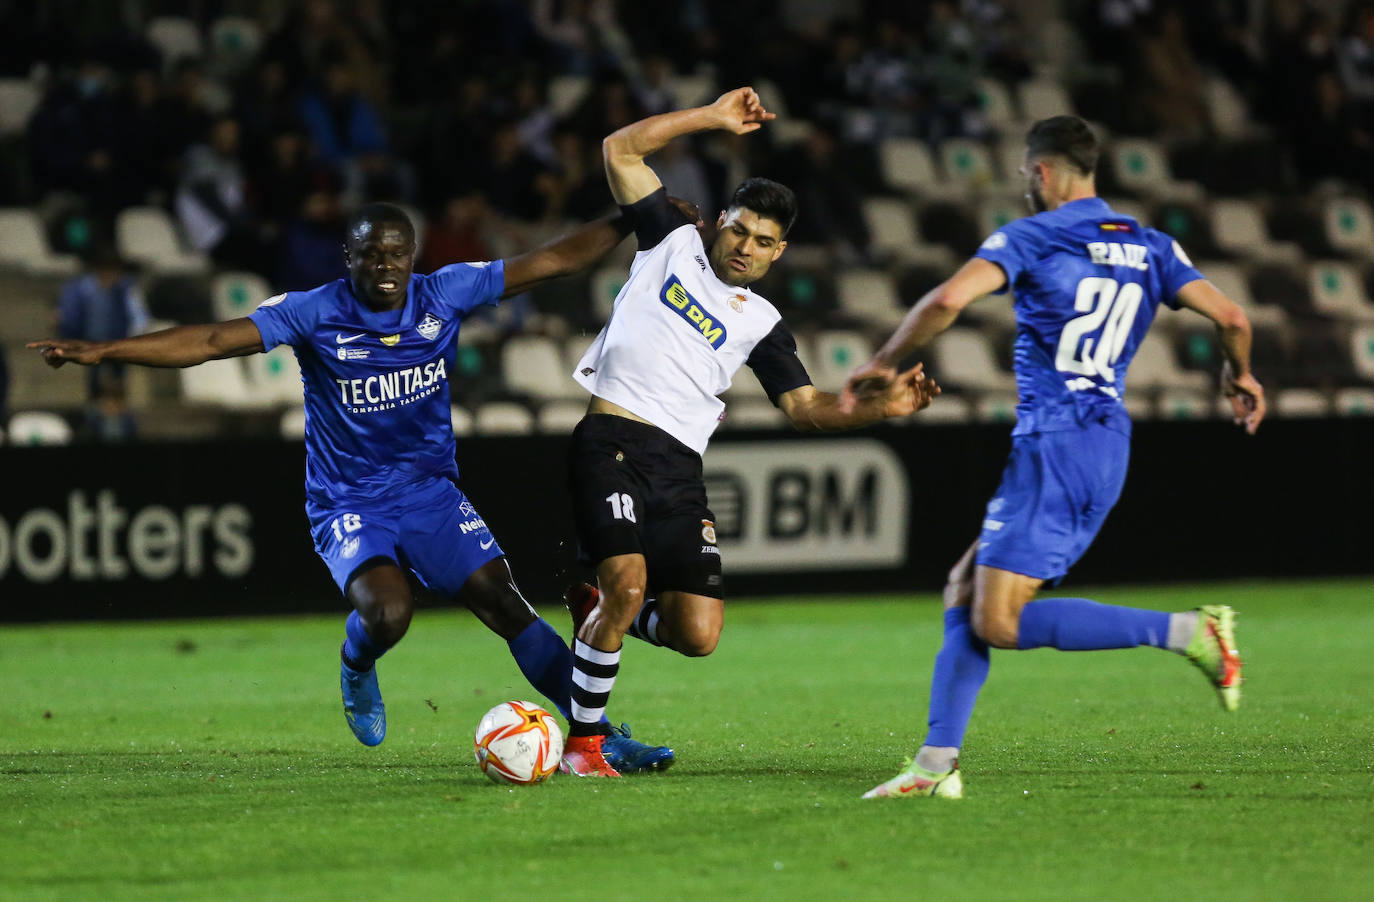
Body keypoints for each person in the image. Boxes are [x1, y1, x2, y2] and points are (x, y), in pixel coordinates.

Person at [29, 203, 672, 773]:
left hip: (430, 493)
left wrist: (631, 217)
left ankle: (599, 738)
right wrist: (104, 351)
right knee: (389, 616)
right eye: (370, 252)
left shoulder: (445, 293)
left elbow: (553, 260)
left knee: (506, 604)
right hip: (349, 499)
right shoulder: (314, 310)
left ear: (413, 255)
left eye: (396, 252)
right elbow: (212, 340)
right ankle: (356, 665)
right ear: (350, 257)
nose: (384, 264)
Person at [840, 115, 1264, 800]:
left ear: (1040, 173)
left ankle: (1189, 631)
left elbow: (949, 298)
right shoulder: (1150, 244)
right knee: (963, 588)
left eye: (1024, 177)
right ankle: (936, 763)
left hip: (1056, 442)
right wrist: (1239, 375)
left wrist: (886, 363)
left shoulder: (1035, 234)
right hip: (1103, 438)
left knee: (997, 620)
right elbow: (1234, 319)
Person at [557, 87, 941, 778]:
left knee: (696, 635)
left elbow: (803, 405)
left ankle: (602, 615)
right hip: (611, 440)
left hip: (680, 469)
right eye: (739, 230)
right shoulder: (668, 241)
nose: (746, 247)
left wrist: (876, 411)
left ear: (779, 252)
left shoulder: (760, 321)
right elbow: (620, 148)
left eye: (764, 242)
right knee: (626, 583)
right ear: (720, 221)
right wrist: (708, 117)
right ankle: (583, 750)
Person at [56, 244, 150, 441]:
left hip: (119, 346)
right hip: (90, 346)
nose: (110, 274)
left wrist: (133, 342)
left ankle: (122, 426)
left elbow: (139, 317)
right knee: (96, 390)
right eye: (105, 268)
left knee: (117, 386)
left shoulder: (126, 289)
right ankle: (96, 428)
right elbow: (69, 316)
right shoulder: (81, 289)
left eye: (113, 269)